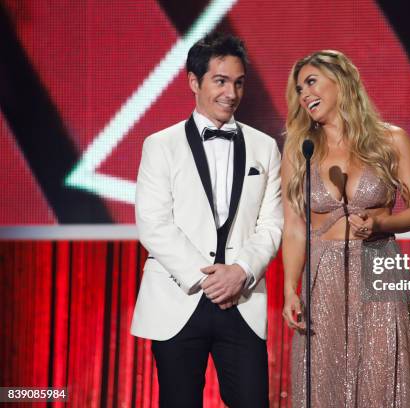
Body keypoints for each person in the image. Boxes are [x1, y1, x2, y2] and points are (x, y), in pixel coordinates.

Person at [130, 33, 282, 408]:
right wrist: (207, 279)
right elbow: (152, 222)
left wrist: (240, 271)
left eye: (239, 82)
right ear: (194, 82)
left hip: (242, 298)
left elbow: (272, 224)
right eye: (220, 81)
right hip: (178, 297)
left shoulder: (265, 147)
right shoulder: (159, 145)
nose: (231, 93)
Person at [281, 50, 410, 407]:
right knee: (324, 382)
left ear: (342, 82)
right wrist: (290, 287)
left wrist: (381, 222)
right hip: (323, 277)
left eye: (312, 82)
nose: (304, 94)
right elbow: (294, 226)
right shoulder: (299, 149)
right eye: (300, 88)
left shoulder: (392, 141)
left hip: (379, 268)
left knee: (384, 379)